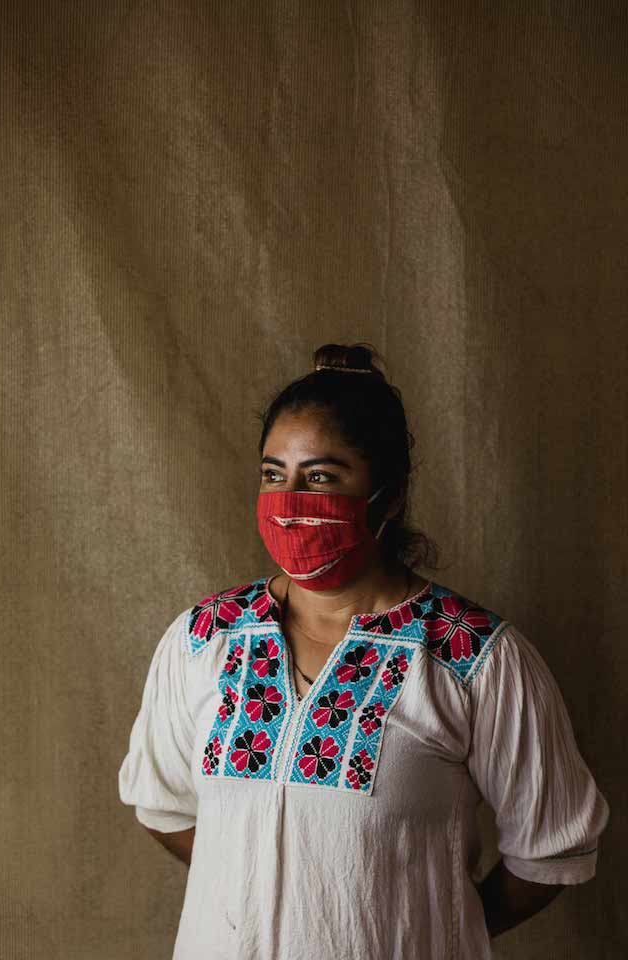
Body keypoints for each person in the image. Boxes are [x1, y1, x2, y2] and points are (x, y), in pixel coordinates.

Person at [118, 341, 610, 959]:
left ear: (390, 494)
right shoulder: (204, 639)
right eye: (274, 475)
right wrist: (257, 891)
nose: (291, 500)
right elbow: (163, 806)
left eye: (321, 477)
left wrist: (430, 926)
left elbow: (551, 850)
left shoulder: (473, 657)